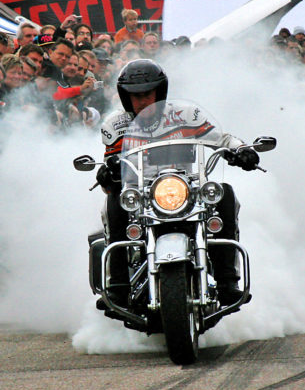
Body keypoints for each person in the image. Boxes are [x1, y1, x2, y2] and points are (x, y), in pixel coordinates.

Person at [94, 60, 260, 306]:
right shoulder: (115, 125)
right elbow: (110, 163)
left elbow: (222, 138)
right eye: (135, 96)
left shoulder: (185, 114)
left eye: (147, 94)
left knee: (224, 193)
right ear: (125, 96)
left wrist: (242, 150)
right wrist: (106, 172)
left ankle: (228, 281)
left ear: (159, 92)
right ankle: (117, 285)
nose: (142, 101)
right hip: (142, 193)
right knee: (113, 201)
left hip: (187, 188)